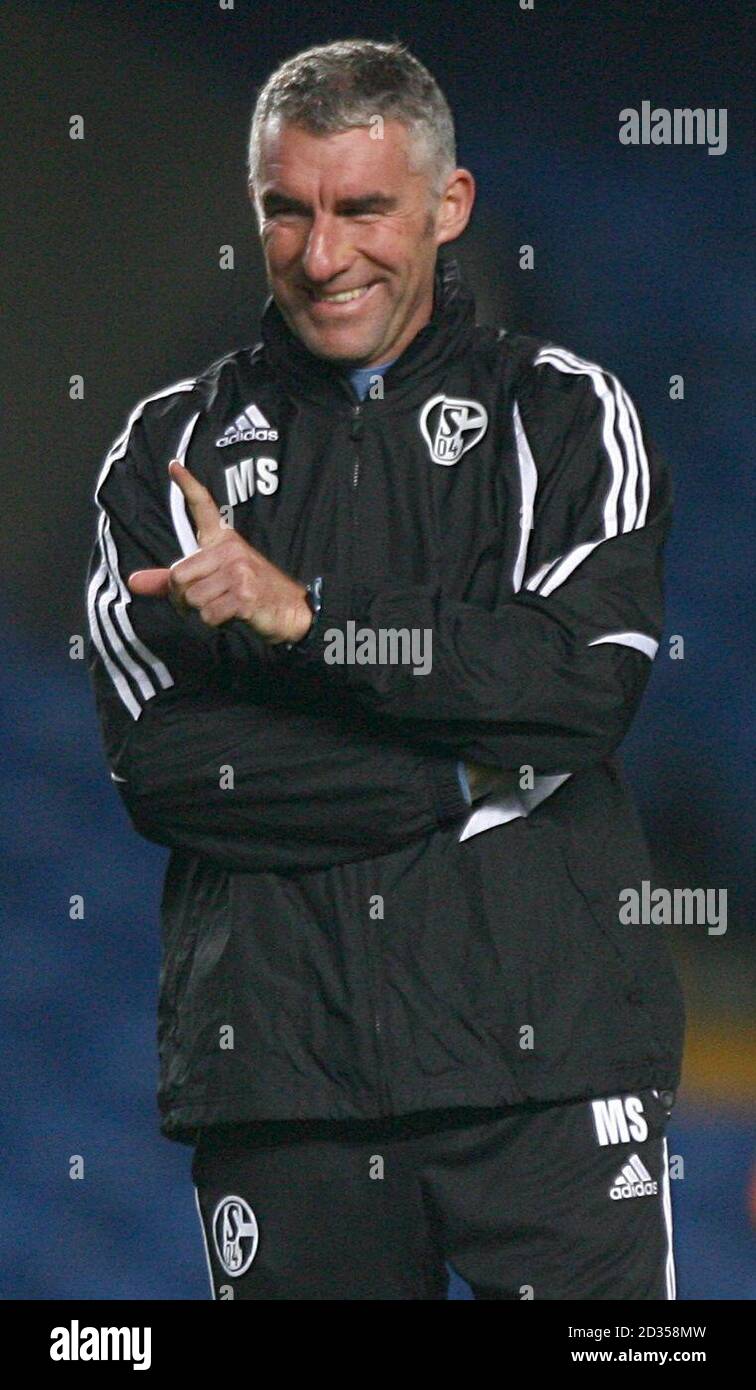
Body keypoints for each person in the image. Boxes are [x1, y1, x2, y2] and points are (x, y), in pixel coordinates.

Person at [85, 39, 685, 1300]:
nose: (321, 254)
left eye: (363, 208)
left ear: (448, 206)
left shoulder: (567, 416)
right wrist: (461, 773)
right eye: (286, 211)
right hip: (281, 1092)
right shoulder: (165, 456)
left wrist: (308, 625)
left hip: (551, 1083)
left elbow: (580, 687)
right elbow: (168, 769)